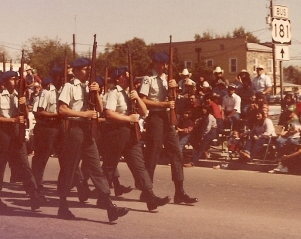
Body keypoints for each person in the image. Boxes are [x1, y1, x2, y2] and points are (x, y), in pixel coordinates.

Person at [57, 57, 129, 221]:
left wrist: (96, 93)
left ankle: (110, 206)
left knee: (96, 168)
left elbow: (101, 109)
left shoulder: (90, 87)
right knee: (69, 170)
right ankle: (62, 205)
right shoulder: (69, 86)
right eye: (84, 69)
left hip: (88, 130)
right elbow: (62, 109)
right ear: (75, 71)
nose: (87, 71)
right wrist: (83, 114)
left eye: (89, 69)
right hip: (75, 129)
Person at [101, 66, 171, 210]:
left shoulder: (130, 94)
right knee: (109, 166)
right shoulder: (114, 93)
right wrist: (128, 118)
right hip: (116, 132)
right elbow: (108, 113)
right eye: (125, 75)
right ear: (118, 78)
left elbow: (144, 112)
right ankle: (103, 196)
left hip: (131, 133)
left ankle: (149, 195)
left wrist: (137, 98)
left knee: (138, 165)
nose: (128, 77)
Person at [139, 52, 198, 205]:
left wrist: (175, 89)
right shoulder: (148, 79)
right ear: (154, 64)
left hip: (167, 118)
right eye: (160, 64)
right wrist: (163, 104)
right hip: (155, 118)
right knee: (153, 153)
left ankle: (180, 192)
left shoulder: (169, 80)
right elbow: (143, 100)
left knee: (176, 153)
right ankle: (147, 191)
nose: (163, 67)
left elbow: (174, 101)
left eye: (165, 64)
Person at [0, 70, 43, 210]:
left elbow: (27, 116)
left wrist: (23, 105)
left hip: (17, 134)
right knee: (0, 166)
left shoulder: (19, 96)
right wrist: (11, 120)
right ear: (5, 82)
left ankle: (33, 195)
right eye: (12, 79)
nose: (15, 81)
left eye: (16, 79)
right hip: (3, 134)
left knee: (24, 166)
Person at [31, 75, 62, 198]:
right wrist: (56, 115)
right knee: (41, 158)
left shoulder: (63, 92)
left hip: (59, 128)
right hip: (46, 128)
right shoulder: (47, 92)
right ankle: (36, 185)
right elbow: (39, 111)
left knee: (65, 157)